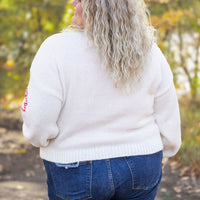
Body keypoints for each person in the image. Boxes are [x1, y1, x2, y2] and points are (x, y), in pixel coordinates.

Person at [20, 0, 182, 199]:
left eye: (79, 0)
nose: (73, 2)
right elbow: (168, 112)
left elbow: (38, 121)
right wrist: (166, 151)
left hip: (74, 166)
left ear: (97, 7)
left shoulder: (55, 49)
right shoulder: (149, 50)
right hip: (142, 163)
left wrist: (45, 141)